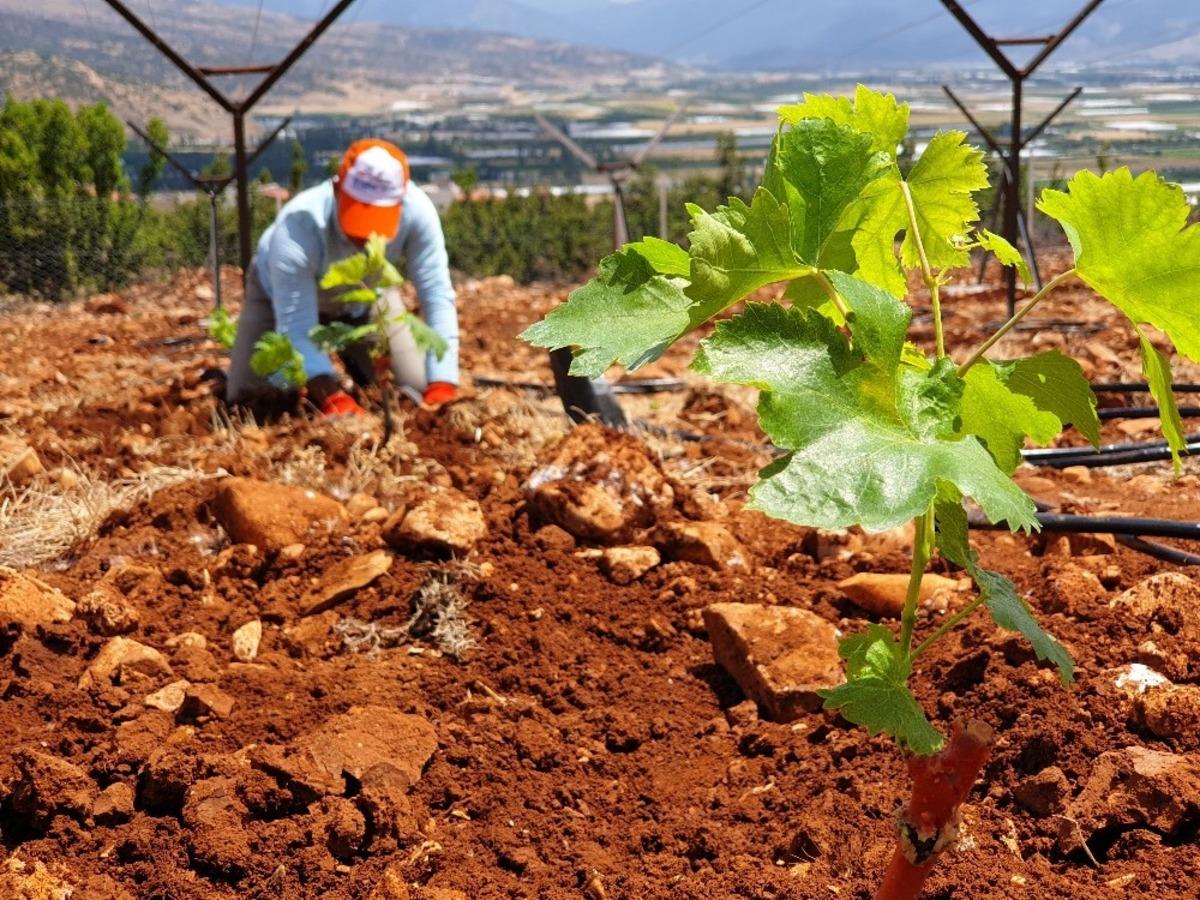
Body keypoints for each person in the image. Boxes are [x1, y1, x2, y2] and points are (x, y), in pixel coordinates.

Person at [227, 138, 459, 415]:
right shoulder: (299, 227)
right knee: (249, 400)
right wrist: (332, 398)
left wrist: (443, 381)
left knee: (416, 387)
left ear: (402, 198)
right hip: (278, 299)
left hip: (365, 298)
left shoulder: (418, 213)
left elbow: (436, 295)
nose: (366, 236)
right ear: (337, 187)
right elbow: (296, 328)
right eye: (359, 216)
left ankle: (364, 369)